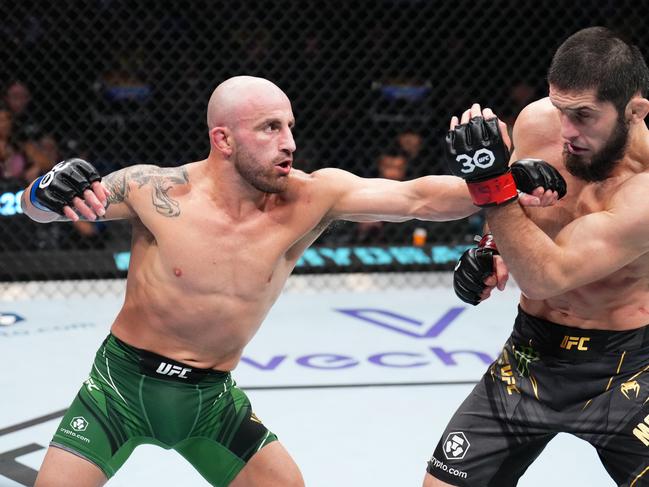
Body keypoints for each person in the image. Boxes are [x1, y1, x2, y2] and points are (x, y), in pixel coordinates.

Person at [22, 75, 563, 487]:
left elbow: (416, 197)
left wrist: (502, 179)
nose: (289, 143)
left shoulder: (310, 198)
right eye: (270, 129)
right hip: (117, 390)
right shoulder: (155, 190)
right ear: (223, 139)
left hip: (210, 400)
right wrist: (45, 187)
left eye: (290, 127)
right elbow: (43, 210)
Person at [425, 27, 649, 486]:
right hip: (530, 352)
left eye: (584, 116)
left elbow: (549, 275)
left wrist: (491, 186)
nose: (567, 132)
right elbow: (515, 220)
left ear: (635, 110)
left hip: (627, 369)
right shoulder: (538, 123)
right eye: (561, 110)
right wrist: (490, 249)